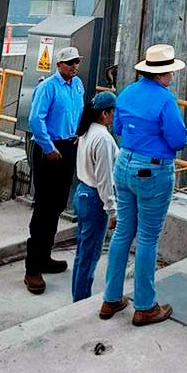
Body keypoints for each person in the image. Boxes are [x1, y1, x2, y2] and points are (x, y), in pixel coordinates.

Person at [100, 43, 187, 326]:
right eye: (170, 73)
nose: (172, 78)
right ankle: (145, 305)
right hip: (153, 169)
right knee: (148, 238)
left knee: (123, 231)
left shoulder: (126, 92)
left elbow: (117, 129)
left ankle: (111, 298)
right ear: (162, 74)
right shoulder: (165, 100)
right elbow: (178, 140)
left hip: (124, 162)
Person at [25, 46, 85, 294]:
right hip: (49, 150)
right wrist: (49, 147)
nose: (74, 66)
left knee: (58, 205)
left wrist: (78, 135)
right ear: (58, 64)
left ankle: (45, 256)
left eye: (76, 62)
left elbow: (78, 112)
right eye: (69, 62)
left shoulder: (77, 85)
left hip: (68, 146)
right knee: (43, 208)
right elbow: (35, 119)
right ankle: (32, 268)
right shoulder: (48, 87)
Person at [71, 90, 119, 303]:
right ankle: (80, 301)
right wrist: (112, 209)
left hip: (82, 193)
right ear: (104, 114)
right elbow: (104, 179)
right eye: (112, 112)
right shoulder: (103, 139)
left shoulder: (86, 132)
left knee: (82, 253)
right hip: (94, 199)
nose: (114, 116)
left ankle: (77, 296)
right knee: (89, 256)